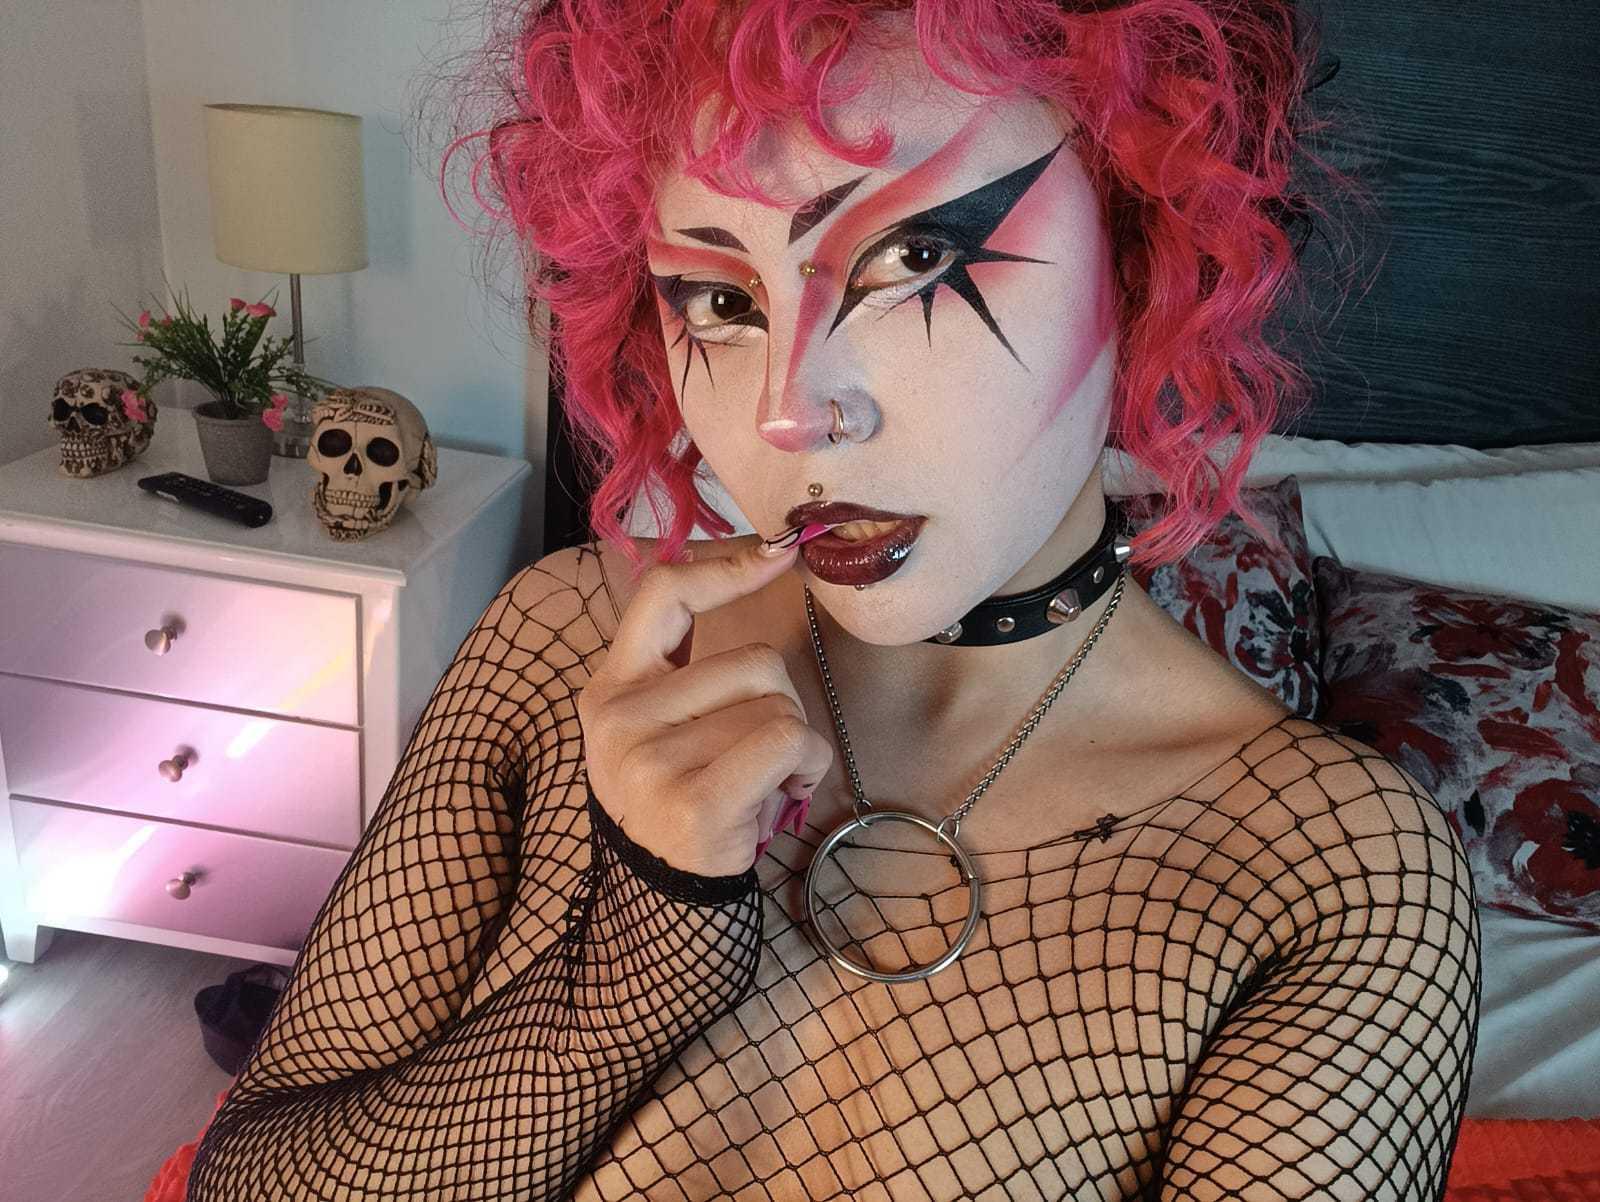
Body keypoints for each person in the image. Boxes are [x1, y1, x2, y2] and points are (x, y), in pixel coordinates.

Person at [187, 2, 1482, 1199]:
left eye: (916, 255)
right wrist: (636, 961)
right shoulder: (568, 635)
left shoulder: (1330, 874)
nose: (788, 413)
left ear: (1141, 257)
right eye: (721, 299)